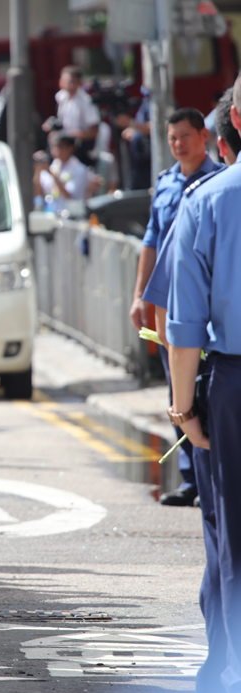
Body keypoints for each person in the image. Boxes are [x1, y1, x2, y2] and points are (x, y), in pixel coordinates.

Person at [164, 73, 241, 693]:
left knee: (232, 535)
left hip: (232, 385)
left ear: (231, 125)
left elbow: (183, 323)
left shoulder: (210, 200)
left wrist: (183, 406)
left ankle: (226, 666)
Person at [130, 107, 220, 507]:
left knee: (208, 387)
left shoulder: (218, 182)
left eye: (185, 136)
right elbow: (150, 242)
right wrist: (139, 296)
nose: (179, 144)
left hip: (205, 303)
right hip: (169, 304)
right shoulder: (166, 184)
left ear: (205, 136)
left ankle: (212, 473)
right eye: (172, 139)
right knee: (177, 388)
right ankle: (191, 477)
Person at [47, 65, 99, 166]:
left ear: (79, 83)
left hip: (81, 150)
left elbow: (94, 131)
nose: (68, 85)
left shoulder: (85, 101)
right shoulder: (61, 97)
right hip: (64, 150)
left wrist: (68, 134)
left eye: (72, 82)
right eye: (65, 81)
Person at [33, 131, 90, 215]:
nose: (56, 150)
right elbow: (38, 193)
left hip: (71, 217)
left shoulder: (80, 169)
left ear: (71, 148)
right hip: (51, 214)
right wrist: (38, 170)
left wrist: (52, 175)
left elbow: (71, 196)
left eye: (60, 147)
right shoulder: (53, 166)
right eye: (53, 146)